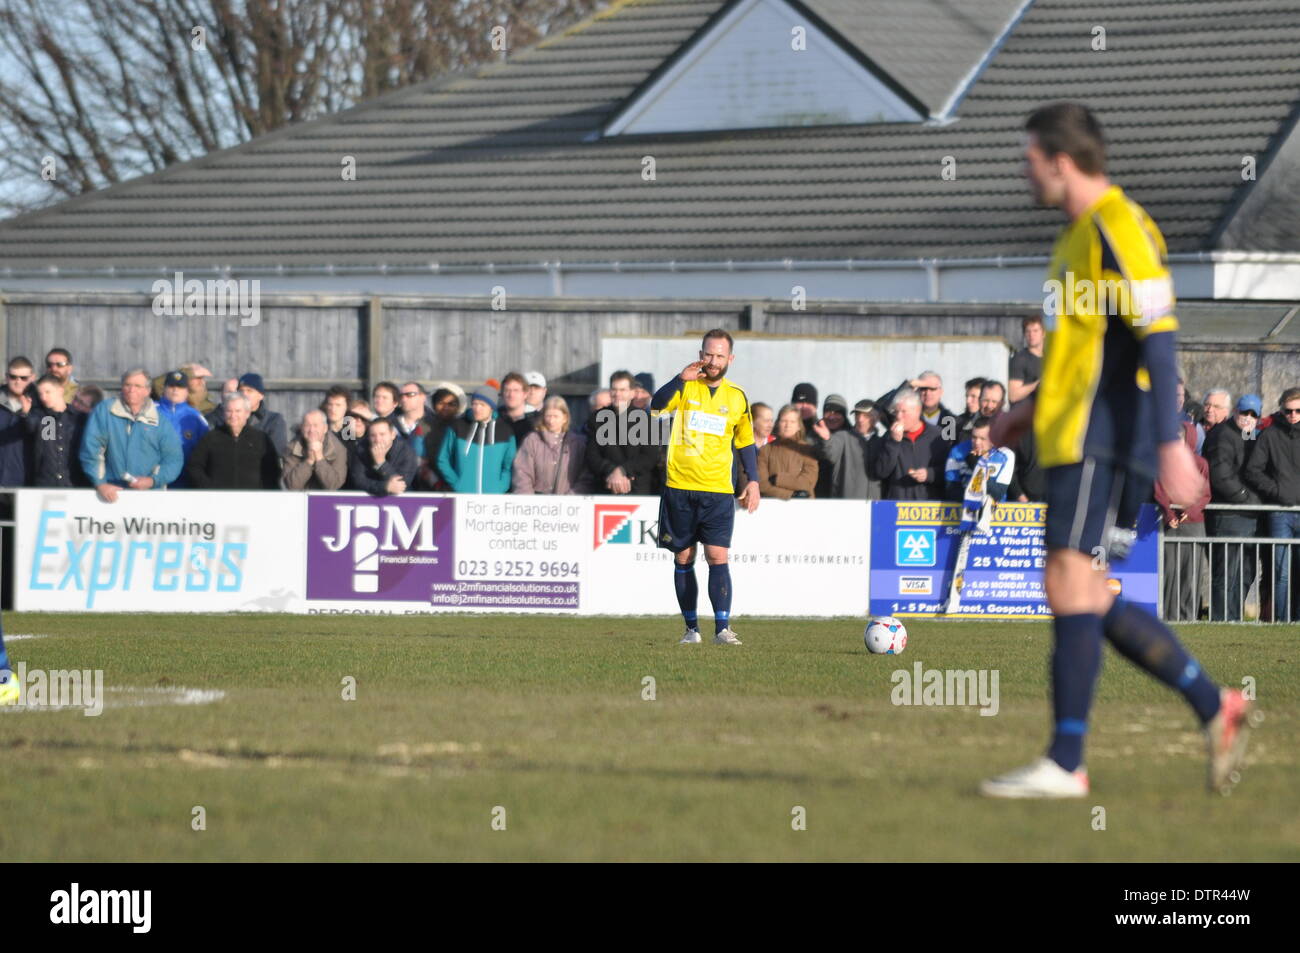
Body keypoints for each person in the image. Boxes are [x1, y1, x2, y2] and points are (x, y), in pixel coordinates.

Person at [982, 102, 1252, 799]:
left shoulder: (1119, 225)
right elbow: (1083, 352)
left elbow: (1158, 337)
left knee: (1071, 582)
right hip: (1075, 433)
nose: (1022, 169)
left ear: (1060, 160)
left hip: (1107, 437)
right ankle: (1212, 705)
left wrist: (1171, 445)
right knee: (1082, 590)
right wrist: (1023, 410)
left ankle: (1066, 761)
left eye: (1028, 156)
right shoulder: (1075, 238)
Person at [651, 329, 759, 646]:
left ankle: (722, 629)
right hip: (680, 487)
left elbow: (746, 442)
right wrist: (677, 379)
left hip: (718, 491)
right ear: (701, 354)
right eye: (708, 354)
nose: (713, 361)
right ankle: (691, 630)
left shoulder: (737, 397)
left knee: (717, 556)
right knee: (683, 557)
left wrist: (752, 479)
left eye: (719, 355)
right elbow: (655, 408)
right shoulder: (685, 387)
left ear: (730, 359)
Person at [80, 369, 184, 501]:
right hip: (111, 494)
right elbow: (91, 450)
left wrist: (152, 481)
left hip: (150, 498)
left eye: (137, 386)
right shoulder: (105, 411)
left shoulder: (160, 421)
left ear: (147, 390)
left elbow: (174, 460)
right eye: (127, 385)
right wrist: (100, 483)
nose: (131, 390)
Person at [1204, 393, 1263, 621]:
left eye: (1253, 414)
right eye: (1244, 412)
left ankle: (1234, 618)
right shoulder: (1223, 436)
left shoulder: (1248, 436)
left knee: (1245, 572)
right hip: (1228, 514)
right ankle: (1221, 619)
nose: (1247, 418)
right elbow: (1221, 477)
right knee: (1226, 573)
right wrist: (1248, 499)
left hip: (1248, 515)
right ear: (1235, 412)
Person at [1243, 387, 1300, 623]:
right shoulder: (1269, 435)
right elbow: (1253, 471)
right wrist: (1277, 492)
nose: (1293, 415)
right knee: (1281, 573)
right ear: (1281, 409)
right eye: (1288, 411)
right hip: (1279, 512)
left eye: (1298, 410)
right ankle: (1281, 621)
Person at [1154, 422, 1211, 621]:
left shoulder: (1200, 463)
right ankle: (1166, 615)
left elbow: (1205, 494)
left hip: (1194, 525)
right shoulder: (1162, 462)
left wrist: (1190, 510)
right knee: (1168, 571)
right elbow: (1159, 491)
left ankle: (1187, 617)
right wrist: (1169, 514)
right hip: (1170, 525)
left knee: (1191, 573)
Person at [585, 370, 661, 495]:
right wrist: (612, 472)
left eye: (623, 390)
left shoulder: (647, 420)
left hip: (638, 491)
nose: (617, 394)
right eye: (614, 389)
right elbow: (592, 455)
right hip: (605, 488)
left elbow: (649, 457)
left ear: (632, 393)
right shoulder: (596, 418)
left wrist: (623, 470)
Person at [187, 392, 281, 489]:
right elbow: (194, 466)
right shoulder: (211, 438)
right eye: (229, 411)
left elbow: (273, 471)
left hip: (252, 501)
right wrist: (209, 488)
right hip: (218, 501)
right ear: (224, 413)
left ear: (247, 413)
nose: (233, 416)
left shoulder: (261, 439)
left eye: (238, 411)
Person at [436, 386, 516, 494]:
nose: (477, 408)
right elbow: (442, 459)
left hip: (493, 498)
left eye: (482, 405)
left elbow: (509, 465)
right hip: (462, 496)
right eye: (474, 404)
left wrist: (500, 487)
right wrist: (456, 483)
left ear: (491, 408)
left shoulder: (505, 431)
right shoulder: (457, 427)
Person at [512, 396, 592, 494]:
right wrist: (529, 501)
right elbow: (522, 473)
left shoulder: (578, 443)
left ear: (565, 418)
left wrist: (570, 499)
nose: (551, 421)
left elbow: (585, 477)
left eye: (555, 416)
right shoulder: (532, 440)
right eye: (548, 416)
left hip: (569, 504)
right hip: (536, 504)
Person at [875, 388, 946, 500]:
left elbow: (949, 470)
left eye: (903, 411)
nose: (898, 416)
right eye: (896, 411)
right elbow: (881, 472)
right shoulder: (889, 436)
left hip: (930, 508)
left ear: (917, 411)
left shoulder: (937, 435)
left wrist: (929, 474)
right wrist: (894, 443)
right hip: (898, 506)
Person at [25, 374, 89, 487]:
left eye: (48, 392)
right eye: (40, 394)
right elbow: (30, 427)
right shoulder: (42, 418)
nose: (43, 397)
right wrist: (25, 412)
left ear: (60, 391)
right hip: (45, 483)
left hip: (74, 483)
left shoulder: (79, 418)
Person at [811, 393, 876, 500]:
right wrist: (826, 440)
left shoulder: (852, 436)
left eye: (837, 412)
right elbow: (831, 453)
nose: (832, 416)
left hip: (849, 499)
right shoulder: (814, 434)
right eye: (828, 412)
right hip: (821, 496)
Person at [156, 370, 210, 488]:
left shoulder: (196, 417)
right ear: (164, 388)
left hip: (185, 484)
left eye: (180, 387)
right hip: (154, 481)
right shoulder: (150, 411)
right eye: (171, 386)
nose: (175, 390)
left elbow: (205, 451)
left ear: (186, 392)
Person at [757, 405, 817, 499]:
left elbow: (808, 483)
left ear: (799, 426)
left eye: (792, 422)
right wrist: (790, 495)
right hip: (772, 506)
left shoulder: (807, 450)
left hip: (803, 506)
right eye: (784, 421)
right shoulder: (765, 450)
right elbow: (762, 485)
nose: (787, 425)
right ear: (778, 423)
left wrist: (778, 479)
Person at [349, 416, 418, 496]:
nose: (377, 440)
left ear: (392, 435)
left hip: (400, 502)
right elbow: (358, 481)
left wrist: (381, 463)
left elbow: (401, 485)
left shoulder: (406, 452)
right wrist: (385, 487)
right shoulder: (361, 449)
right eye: (373, 435)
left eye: (382, 434)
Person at [282, 409, 348, 491]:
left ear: (325, 428)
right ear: (302, 428)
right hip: (300, 499)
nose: (311, 430)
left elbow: (333, 485)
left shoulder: (338, 449)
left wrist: (320, 459)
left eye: (316, 425)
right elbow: (291, 485)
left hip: (328, 500)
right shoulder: (292, 448)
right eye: (307, 425)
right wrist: (309, 461)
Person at [394, 381, 437, 488]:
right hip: (396, 486)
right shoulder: (390, 425)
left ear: (423, 397)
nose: (404, 399)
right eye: (401, 396)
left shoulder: (435, 424)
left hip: (428, 488)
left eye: (410, 395)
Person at [0, 356, 34, 487]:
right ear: (6, 377)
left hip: (29, 483)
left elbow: (50, 442)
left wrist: (27, 414)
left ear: (32, 378)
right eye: (13, 377)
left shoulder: (43, 405)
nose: (18, 382)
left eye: (23, 378)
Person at [1008, 316, 1044, 405]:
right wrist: (1037, 384)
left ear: (1043, 333)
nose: (1031, 335)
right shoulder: (1019, 359)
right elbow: (1013, 395)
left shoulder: (1050, 358)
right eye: (1028, 331)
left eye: (1035, 331)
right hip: (1025, 413)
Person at [498, 372, 538, 444]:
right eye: (507, 390)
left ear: (525, 394)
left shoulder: (537, 421)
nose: (511, 395)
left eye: (516, 390)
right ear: (502, 393)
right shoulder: (495, 418)